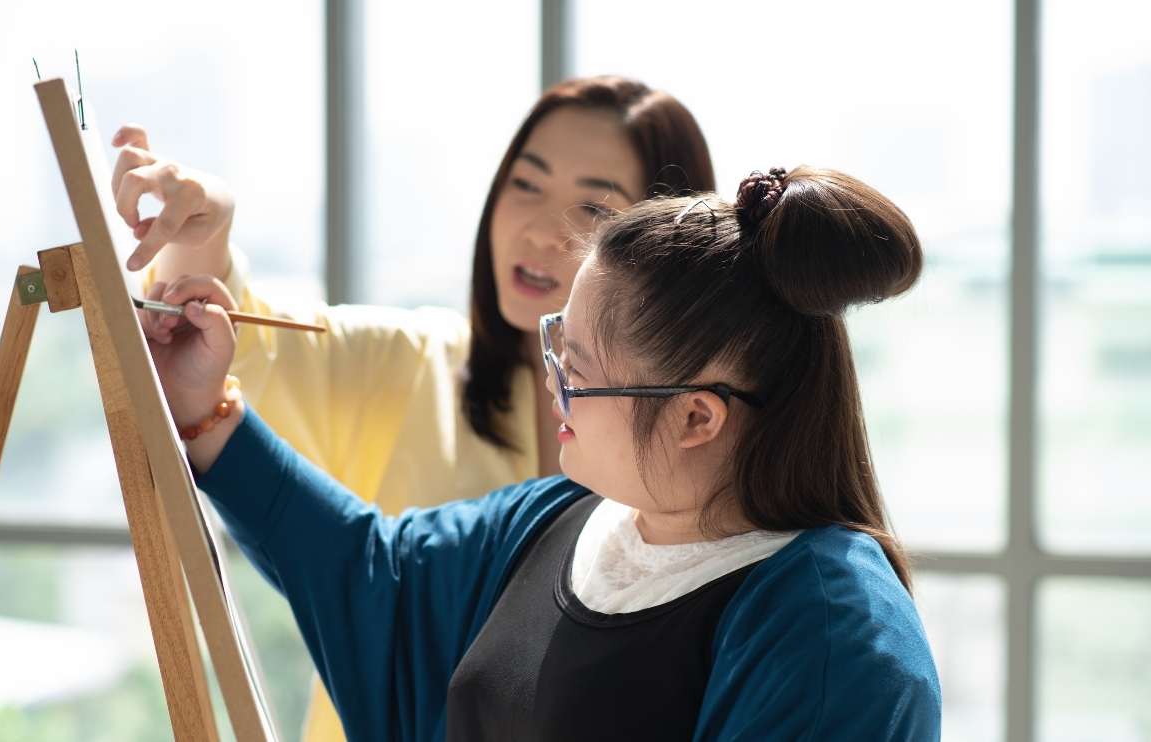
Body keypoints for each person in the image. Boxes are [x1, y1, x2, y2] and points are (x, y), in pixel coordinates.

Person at [143, 165, 942, 741]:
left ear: (697, 417)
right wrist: (204, 413)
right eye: (559, 340)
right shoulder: (562, 520)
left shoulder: (833, 637)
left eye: (579, 369)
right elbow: (369, 573)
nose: (552, 382)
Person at [113, 75, 715, 739]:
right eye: (526, 184)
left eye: (595, 211)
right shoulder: (415, 362)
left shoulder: (700, 465)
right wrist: (205, 228)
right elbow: (235, 339)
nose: (543, 231)